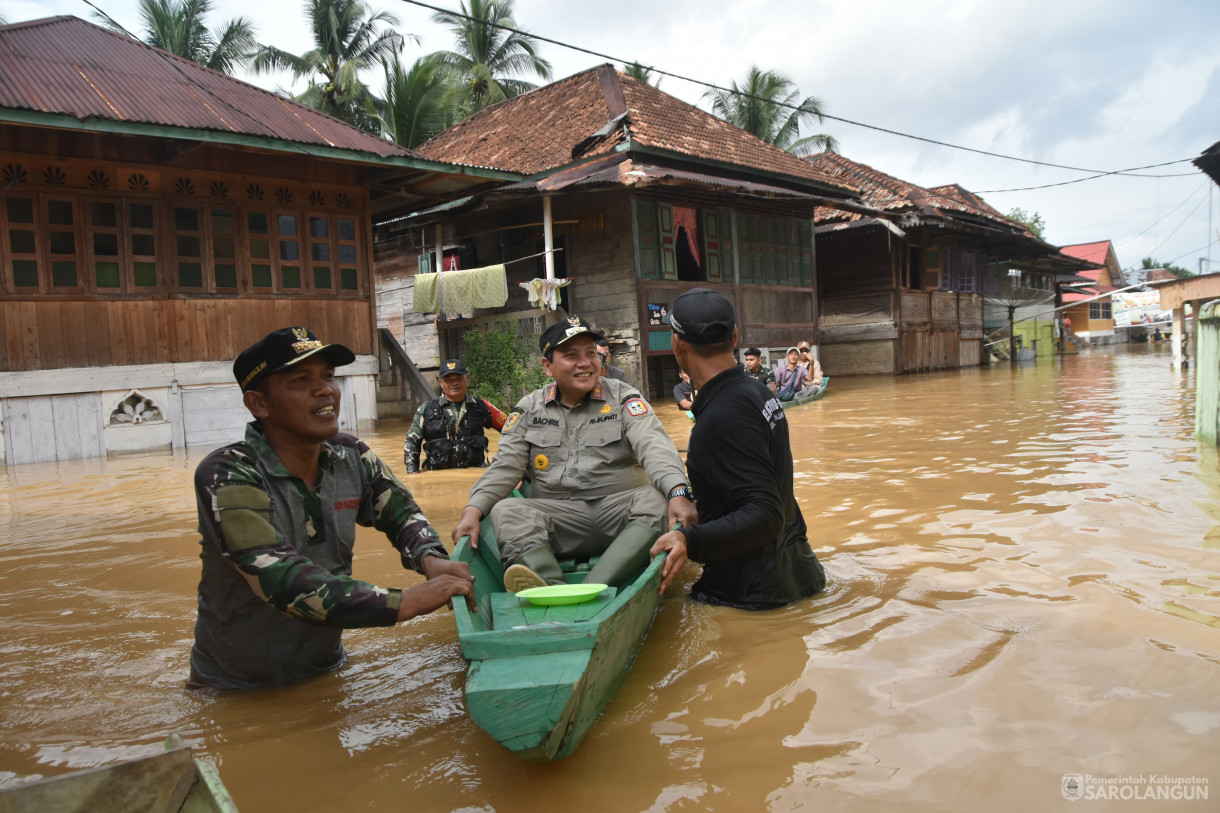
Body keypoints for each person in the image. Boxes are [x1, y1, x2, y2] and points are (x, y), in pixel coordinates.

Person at [188, 327, 476, 693]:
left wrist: (430, 558)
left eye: (327, 376)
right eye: (299, 380)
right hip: (235, 689)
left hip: (326, 670)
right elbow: (279, 579)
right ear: (259, 404)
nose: (325, 390)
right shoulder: (228, 473)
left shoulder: (351, 455)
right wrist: (403, 603)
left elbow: (402, 514)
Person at [452, 316, 699, 591]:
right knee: (505, 510)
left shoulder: (623, 397)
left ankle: (591, 587)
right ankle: (552, 587)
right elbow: (505, 467)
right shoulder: (529, 408)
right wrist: (473, 510)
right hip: (558, 518)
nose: (585, 363)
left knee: (658, 498)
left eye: (591, 353)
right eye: (571, 356)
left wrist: (678, 492)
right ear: (548, 366)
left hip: (621, 514)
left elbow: (654, 446)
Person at [651, 290, 826, 609]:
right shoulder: (757, 393)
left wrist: (687, 539)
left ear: (677, 343)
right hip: (798, 574)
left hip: (749, 597)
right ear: (734, 337)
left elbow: (764, 513)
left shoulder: (723, 415)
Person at [403, 358, 507, 473]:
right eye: (448, 380)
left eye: (459, 378)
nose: (454, 383)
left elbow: (511, 430)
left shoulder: (481, 406)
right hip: (437, 478)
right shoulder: (426, 409)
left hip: (475, 475)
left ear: (467, 378)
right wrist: (413, 473)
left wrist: (506, 462)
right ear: (440, 382)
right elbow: (412, 442)